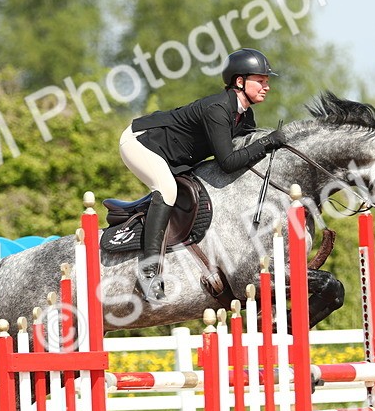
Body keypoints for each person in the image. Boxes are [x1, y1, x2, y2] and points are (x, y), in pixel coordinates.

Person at [119, 47, 288, 302]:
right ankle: (149, 274)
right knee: (167, 190)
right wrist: (266, 142)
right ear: (239, 82)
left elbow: (244, 156)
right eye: (260, 80)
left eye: (267, 81)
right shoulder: (217, 109)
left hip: (175, 156)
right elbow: (228, 162)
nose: (267, 86)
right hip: (141, 143)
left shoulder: (245, 116)